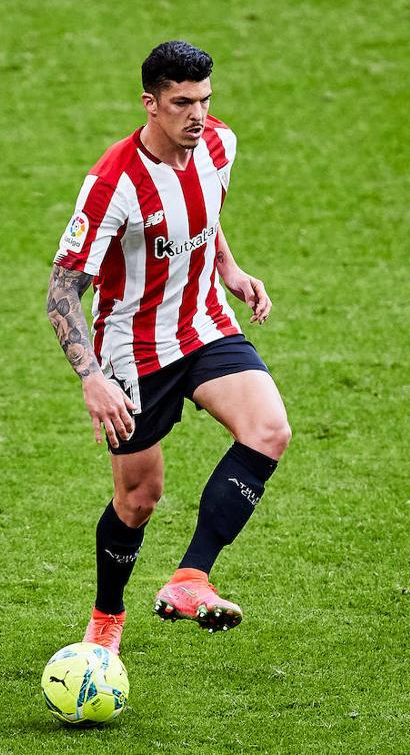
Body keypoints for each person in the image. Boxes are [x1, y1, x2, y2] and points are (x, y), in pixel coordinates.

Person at [45, 40, 290, 651]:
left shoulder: (217, 144)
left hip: (204, 323)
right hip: (134, 351)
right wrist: (91, 377)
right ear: (150, 104)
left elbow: (202, 212)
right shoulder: (112, 183)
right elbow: (60, 291)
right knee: (138, 498)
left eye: (205, 100)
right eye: (182, 104)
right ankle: (105, 623)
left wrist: (229, 270)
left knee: (269, 430)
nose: (197, 116)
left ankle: (190, 578)